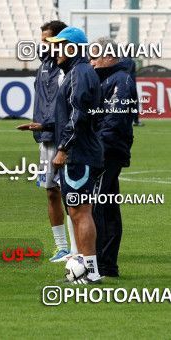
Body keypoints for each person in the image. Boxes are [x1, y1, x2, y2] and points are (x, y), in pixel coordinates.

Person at [18, 27, 103, 284]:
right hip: (81, 152)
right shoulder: (77, 72)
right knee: (77, 210)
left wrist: (63, 149)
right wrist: (44, 126)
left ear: (72, 47)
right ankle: (86, 269)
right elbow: (72, 115)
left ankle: (90, 270)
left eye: (59, 45)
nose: (54, 49)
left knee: (80, 212)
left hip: (79, 155)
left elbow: (79, 115)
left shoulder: (78, 73)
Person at [19, 20, 77, 262]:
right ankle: (61, 247)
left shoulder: (69, 68)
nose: (43, 44)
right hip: (44, 137)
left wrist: (51, 126)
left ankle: (76, 249)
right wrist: (40, 127)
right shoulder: (44, 65)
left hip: (64, 137)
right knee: (51, 192)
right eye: (42, 40)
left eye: (47, 40)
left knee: (72, 194)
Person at [90, 38, 135, 277]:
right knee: (106, 206)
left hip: (108, 151)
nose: (91, 62)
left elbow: (114, 120)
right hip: (105, 149)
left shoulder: (121, 80)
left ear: (109, 57)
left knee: (98, 205)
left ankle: (98, 263)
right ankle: (106, 264)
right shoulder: (107, 79)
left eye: (95, 56)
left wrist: (96, 147)